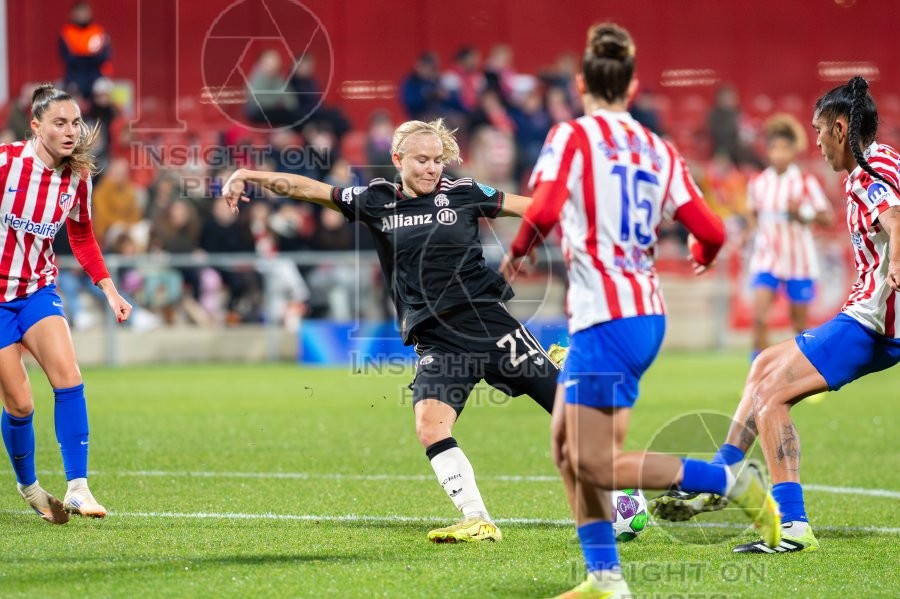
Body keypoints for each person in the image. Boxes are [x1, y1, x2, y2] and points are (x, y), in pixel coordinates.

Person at [500, 24, 779, 598]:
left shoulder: (571, 137)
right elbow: (710, 228)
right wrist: (703, 253)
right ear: (631, 87)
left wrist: (517, 254)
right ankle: (605, 578)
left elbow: (546, 208)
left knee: (596, 463)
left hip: (608, 319)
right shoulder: (658, 147)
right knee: (563, 448)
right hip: (637, 314)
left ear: (582, 83)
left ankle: (730, 481)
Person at [222, 118, 564, 543]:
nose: (432, 168)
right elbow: (309, 189)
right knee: (430, 425)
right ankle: (477, 519)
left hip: (489, 325)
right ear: (397, 159)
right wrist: (249, 175)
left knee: (571, 412)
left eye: (438, 160)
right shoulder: (376, 199)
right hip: (436, 338)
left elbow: (533, 207)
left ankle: (646, 489)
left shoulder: (463, 193)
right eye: (422, 160)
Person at [651, 76, 900, 554]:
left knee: (772, 399)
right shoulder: (878, 161)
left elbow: (895, 219)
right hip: (866, 313)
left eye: (820, 131)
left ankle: (793, 525)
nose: (818, 142)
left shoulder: (868, 169)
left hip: (873, 323)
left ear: (841, 128)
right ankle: (722, 476)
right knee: (763, 362)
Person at [0, 84, 132, 524]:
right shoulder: (5, 164)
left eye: (75, 122)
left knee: (69, 377)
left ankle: (78, 487)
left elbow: (80, 235)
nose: (71, 130)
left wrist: (109, 289)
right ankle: (29, 486)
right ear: (35, 126)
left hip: (37, 290)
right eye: (59, 122)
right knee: (20, 405)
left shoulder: (77, 177)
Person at [746, 114, 834, 360]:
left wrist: (803, 212)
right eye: (775, 149)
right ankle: (760, 376)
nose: (779, 154)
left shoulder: (805, 182)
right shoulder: (758, 183)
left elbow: (827, 217)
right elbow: (753, 214)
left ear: (793, 152)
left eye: (785, 149)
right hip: (767, 259)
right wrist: (746, 234)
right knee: (760, 318)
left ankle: (806, 374)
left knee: (799, 325)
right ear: (768, 151)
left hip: (799, 262)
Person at [58, 1, 113, 101]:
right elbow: (68, 58)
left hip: (96, 74)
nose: (81, 15)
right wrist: (90, 57)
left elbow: (105, 55)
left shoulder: (98, 31)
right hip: (74, 75)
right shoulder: (66, 33)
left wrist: (83, 57)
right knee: (72, 96)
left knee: (103, 91)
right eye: (78, 12)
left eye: (84, 11)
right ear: (72, 14)